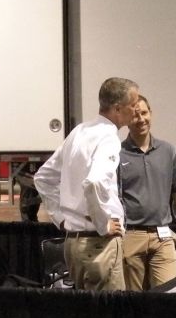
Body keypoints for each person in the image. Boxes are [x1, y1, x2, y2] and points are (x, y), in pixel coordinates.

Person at [33, 77, 139, 291]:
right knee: (108, 310)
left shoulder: (79, 132)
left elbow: (43, 178)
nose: (136, 110)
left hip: (73, 244)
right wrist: (103, 224)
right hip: (98, 245)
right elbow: (94, 182)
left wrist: (60, 218)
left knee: (85, 310)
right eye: (133, 104)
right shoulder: (108, 138)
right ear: (118, 109)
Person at [119, 95, 176, 291]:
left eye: (144, 113)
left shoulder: (168, 151)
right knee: (133, 301)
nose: (141, 119)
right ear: (126, 120)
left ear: (151, 113)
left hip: (163, 237)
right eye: (135, 115)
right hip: (131, 236)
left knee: (168, 296)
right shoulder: (117, 153)